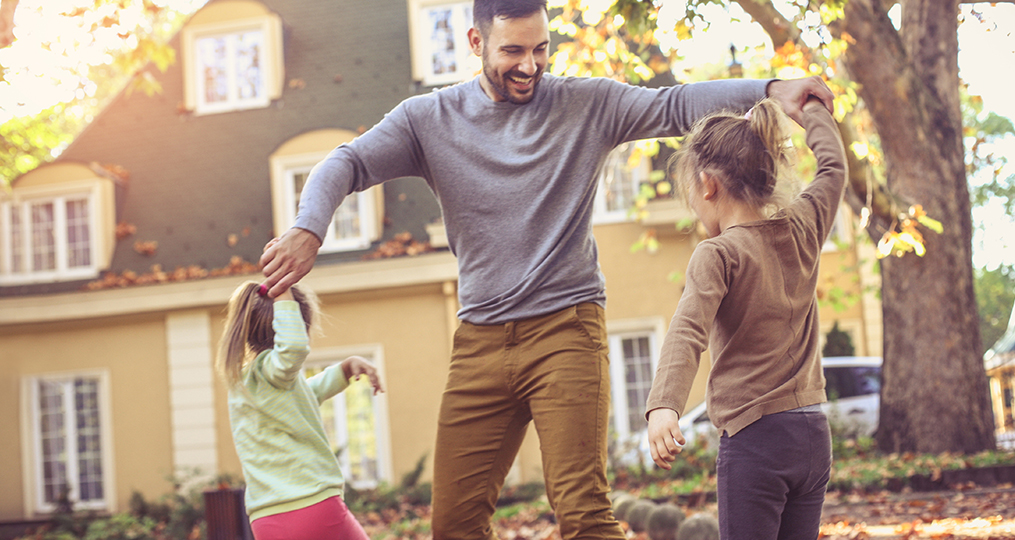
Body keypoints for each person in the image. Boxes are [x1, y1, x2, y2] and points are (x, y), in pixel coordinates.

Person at [258, 0, 835, 537]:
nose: (530, 66)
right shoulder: (428, 120)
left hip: (567, 330)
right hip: (480, 340)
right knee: (452, 524)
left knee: (582, 514)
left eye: (540, 49)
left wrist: (770, 89)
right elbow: (348, 161)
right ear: (476, 41)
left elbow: (673, 103)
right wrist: (310, 228)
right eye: (512, 51)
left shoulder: (585, 104)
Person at [645, 97, 846, 540]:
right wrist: (811, 110)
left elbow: (688, 329)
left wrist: (665, 404)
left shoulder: (718, 253)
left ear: (707, 184)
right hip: (813, 433)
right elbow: (833, 170)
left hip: (755, 440)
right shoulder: (803, 226)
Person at [217, 280, 383, 540]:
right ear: (295, 323)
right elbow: (293, 348)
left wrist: (344, 370)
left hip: (265, 519)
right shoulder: (273, 368)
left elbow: (303, 396)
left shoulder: (245, 382)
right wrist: (284, 293)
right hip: (311, 503)